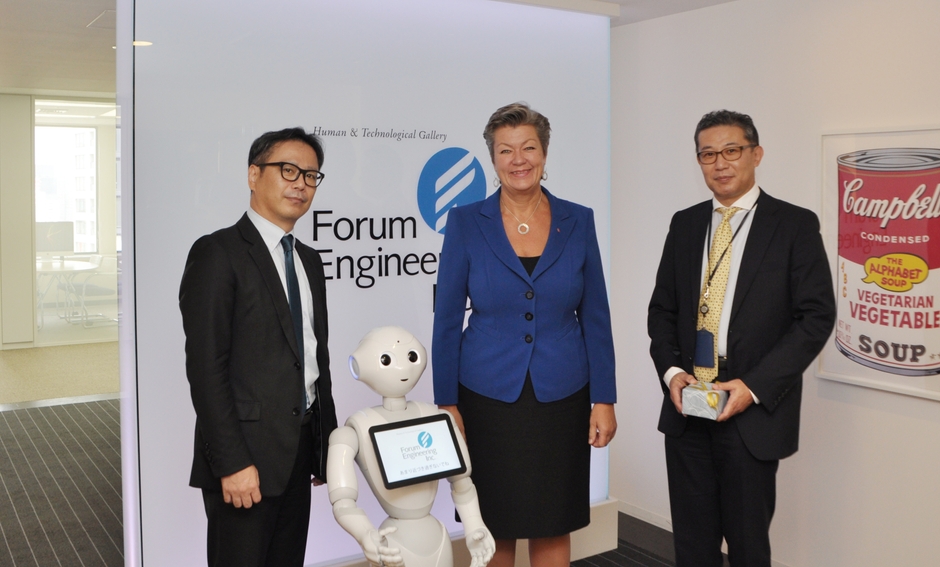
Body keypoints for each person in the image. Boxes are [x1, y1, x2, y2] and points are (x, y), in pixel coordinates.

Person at [647, 110, 835, 567]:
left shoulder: (793, 224)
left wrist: (753, 387)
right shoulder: (685, 223)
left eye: (731, 150)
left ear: (756, 154)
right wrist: (671, 373)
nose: (720, 163)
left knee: (749, 545)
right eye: (708, 154)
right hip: (689, 402)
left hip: (750, 406)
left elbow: (816, 317)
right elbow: (662, 311)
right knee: (692, 544)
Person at [432, 102, 617, 567]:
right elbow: (447, 319)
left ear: (545, 153)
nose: (518, 159)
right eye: (505, 150)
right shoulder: (465, 222)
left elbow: (596, 315)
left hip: (562, 395)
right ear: (492, 158)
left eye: (528, 148)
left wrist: (604, 398)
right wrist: (447, 402)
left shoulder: (579, 220)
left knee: (553, 520)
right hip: (486, 396)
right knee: (493, 522)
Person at [179, 127, 338, 567]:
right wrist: (231, 462)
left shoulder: (309, 260)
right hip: (244, 457)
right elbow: (206, 370)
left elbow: (314, 358)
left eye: (310, 175)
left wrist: (325, 448)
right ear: (253, 175)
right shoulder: (217, 253)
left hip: (299, 450)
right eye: (288, 170)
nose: (301, 184)